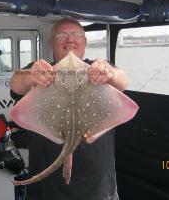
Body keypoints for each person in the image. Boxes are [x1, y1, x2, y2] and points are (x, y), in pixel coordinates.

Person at [10, 18, 128, 200]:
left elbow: (123, 81)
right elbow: (17, 83)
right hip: (47, 189)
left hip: (97, 186)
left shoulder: (97, 68)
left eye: (76, 35)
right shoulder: (42, 70)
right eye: (62, 35)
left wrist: (110, 73)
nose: (70, 40)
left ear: (85, 41)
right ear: (51, 42)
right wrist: (30, 75)